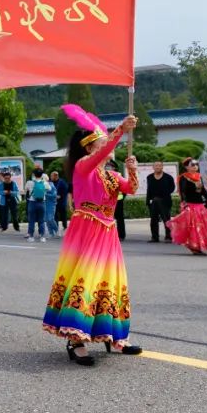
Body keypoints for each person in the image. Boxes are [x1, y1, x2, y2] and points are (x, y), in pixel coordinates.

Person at [42, 111, 142, 366]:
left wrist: (132, 170)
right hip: (87, 227)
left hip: (108, 231)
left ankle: (112, 335)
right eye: (102, 141)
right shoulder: (83, 166)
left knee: (111, 281)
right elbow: (100, 153)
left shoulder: (110, 175)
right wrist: (120, 130)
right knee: (86, 279)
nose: (106, 146)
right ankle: (75, 339)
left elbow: (130, 189)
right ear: (91, 147)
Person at [166, 158, 207, 255]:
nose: (195, 167)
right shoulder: (184, 177)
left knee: (202, 227)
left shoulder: (199, 176)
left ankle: (198, 246)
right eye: (192, 165)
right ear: (187, 167)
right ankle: (195, 246)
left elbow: (203, 191)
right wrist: (184, 203)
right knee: (193, 227)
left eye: (196, 165)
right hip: (191, 205)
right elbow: (182, 191)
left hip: (200, 206)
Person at [145, 160, 175, 243]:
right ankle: (154, 237)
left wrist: (164, 195)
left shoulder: (168, 177)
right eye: (156, 166)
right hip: (153, 202)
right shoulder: (149, 177)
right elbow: (149, 190)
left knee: (166, 219)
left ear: (162, 167)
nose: (157, 167)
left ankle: (168, 237)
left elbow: (172, 188)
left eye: (159, 165)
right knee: (153, 220)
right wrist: (148, 201)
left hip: (164, 201)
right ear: (153, 167)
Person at [24, 167, 51, 242]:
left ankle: (31, 237)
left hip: (32, 202)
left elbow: (25, 189)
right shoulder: (45, 183)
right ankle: (42, 236)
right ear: (42, 174)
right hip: (42, 203)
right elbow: (49, 189)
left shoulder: (29, 182)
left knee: (31, 220)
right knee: (41, 220)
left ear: (34, 174)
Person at [106, 160, 127, 241]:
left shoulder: (119, 176)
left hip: (118, 201)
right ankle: (107, 236)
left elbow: (125, 189)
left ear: (114, 168)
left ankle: (121, 235)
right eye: (107, 166)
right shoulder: (102, 176)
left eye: (110, 166)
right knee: (106, 219)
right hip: (106, 202)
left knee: (120, 219)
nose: (108, 168)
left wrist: (121, 198)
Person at [44, 174, 60, 238]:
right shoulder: (42, 185)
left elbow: (54, 195)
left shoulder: (51, 185)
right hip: (44, 204)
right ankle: (51, 233)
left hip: (51, 204)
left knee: (50, 219)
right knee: (47, 219)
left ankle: (57, 231)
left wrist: (46, 194)